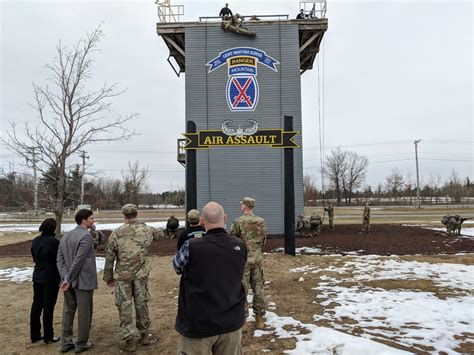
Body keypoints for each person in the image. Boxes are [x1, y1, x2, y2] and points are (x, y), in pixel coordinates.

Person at [173, 202, 247, 355]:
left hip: (198, 325)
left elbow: (176, 267)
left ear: (201, 221)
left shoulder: (191, 246)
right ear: (225, 218)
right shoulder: (240, 246)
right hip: (231, 323)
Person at [103, 204, 163, 352]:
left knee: (124, 306)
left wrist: (108, 277)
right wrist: (143, 226)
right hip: (141, 275)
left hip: (123, 276)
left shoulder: (116, 233)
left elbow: (109, 257)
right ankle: (145, 335)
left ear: (124, 216)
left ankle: (129, 340)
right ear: (137, 214)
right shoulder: (146, 230)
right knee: (141, 304)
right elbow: (161, 235)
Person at [57, 209, 97, 353]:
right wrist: (68, 278)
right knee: (84, 313)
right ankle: (81, 344)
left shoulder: (65, 236)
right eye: (91, 218)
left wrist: (65, 276)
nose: (93, 221)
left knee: (68, 311)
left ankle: (65, 342)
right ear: (83, 220)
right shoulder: (86, 236)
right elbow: (79, 260)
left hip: (68, 280)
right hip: (82, 281)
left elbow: (60, 260)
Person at [231, 197, 267, 329]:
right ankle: (260, 319)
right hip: (257, 259)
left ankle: (243, 320)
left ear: (245, 206)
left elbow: (233, 240)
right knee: (258, 289)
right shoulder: (260, 221)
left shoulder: (237, 222)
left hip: (243, 260)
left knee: (242, 290)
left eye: (242, 204)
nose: (240, 206)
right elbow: (263, 241)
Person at [30, 218, 61, 345]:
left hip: (37, 274)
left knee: (36, 305)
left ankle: (35, 334)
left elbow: (34, 256)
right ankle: (49, 335)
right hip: (51, 276)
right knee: (48, 306)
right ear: (53, 228)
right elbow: (58, 259)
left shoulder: (36, 240)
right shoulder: (54, 242)